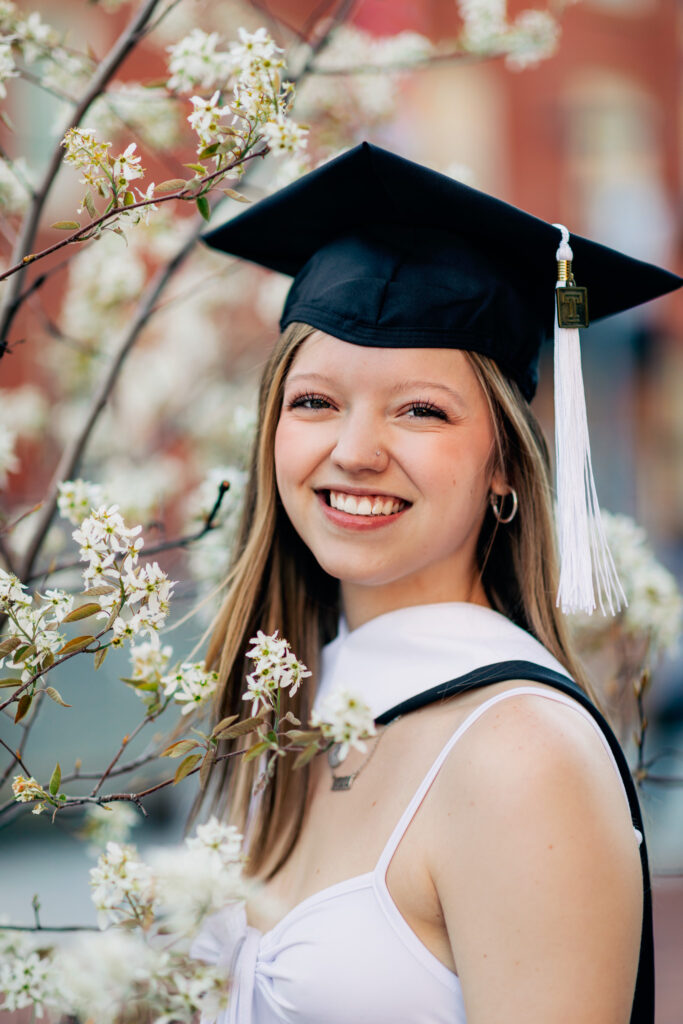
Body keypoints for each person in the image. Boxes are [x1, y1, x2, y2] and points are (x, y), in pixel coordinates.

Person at [191, 142, 681, 1023]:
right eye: (314, 402)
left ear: (504, 463)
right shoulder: (275, 713)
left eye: (420, 409)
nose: (354, 451)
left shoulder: (519, 755)